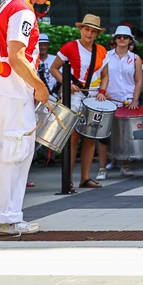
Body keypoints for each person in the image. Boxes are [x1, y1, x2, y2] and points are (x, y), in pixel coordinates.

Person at [0, 0, 65, 235]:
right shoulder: (23, 10)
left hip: (4, 86)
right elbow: (17, 56)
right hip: (13, 89)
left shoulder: (9, 4)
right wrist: (39, 87)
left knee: (13, 152)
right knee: (16, 152)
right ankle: (6, 218)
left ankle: (8, 217)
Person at [50, 14, 109, 189]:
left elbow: (105, 76)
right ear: (81, 29)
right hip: (74, 96)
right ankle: (67, 179)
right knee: (73, 137)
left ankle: (85, 177)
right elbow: (54, 68)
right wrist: (67, 84)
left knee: (90, 137)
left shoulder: (101, 51)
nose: (89, 33)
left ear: (97, 33)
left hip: (93, 97)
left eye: (93, 31)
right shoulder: (69, 47)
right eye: (86, 29)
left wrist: (103, 92)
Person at [103, 25, 143, 177]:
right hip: (109, 99)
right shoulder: (105, 56)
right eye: (119, 37)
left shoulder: (135, 58)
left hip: (127, 99)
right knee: (107, 134)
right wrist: (103, 92)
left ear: (130, 40)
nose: (121, 39)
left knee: (126, 135)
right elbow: (102, 77)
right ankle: (108, 162)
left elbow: (139, 81)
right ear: (114, 39)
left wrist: (135, 100)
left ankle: (125, 165)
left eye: (125, 37)